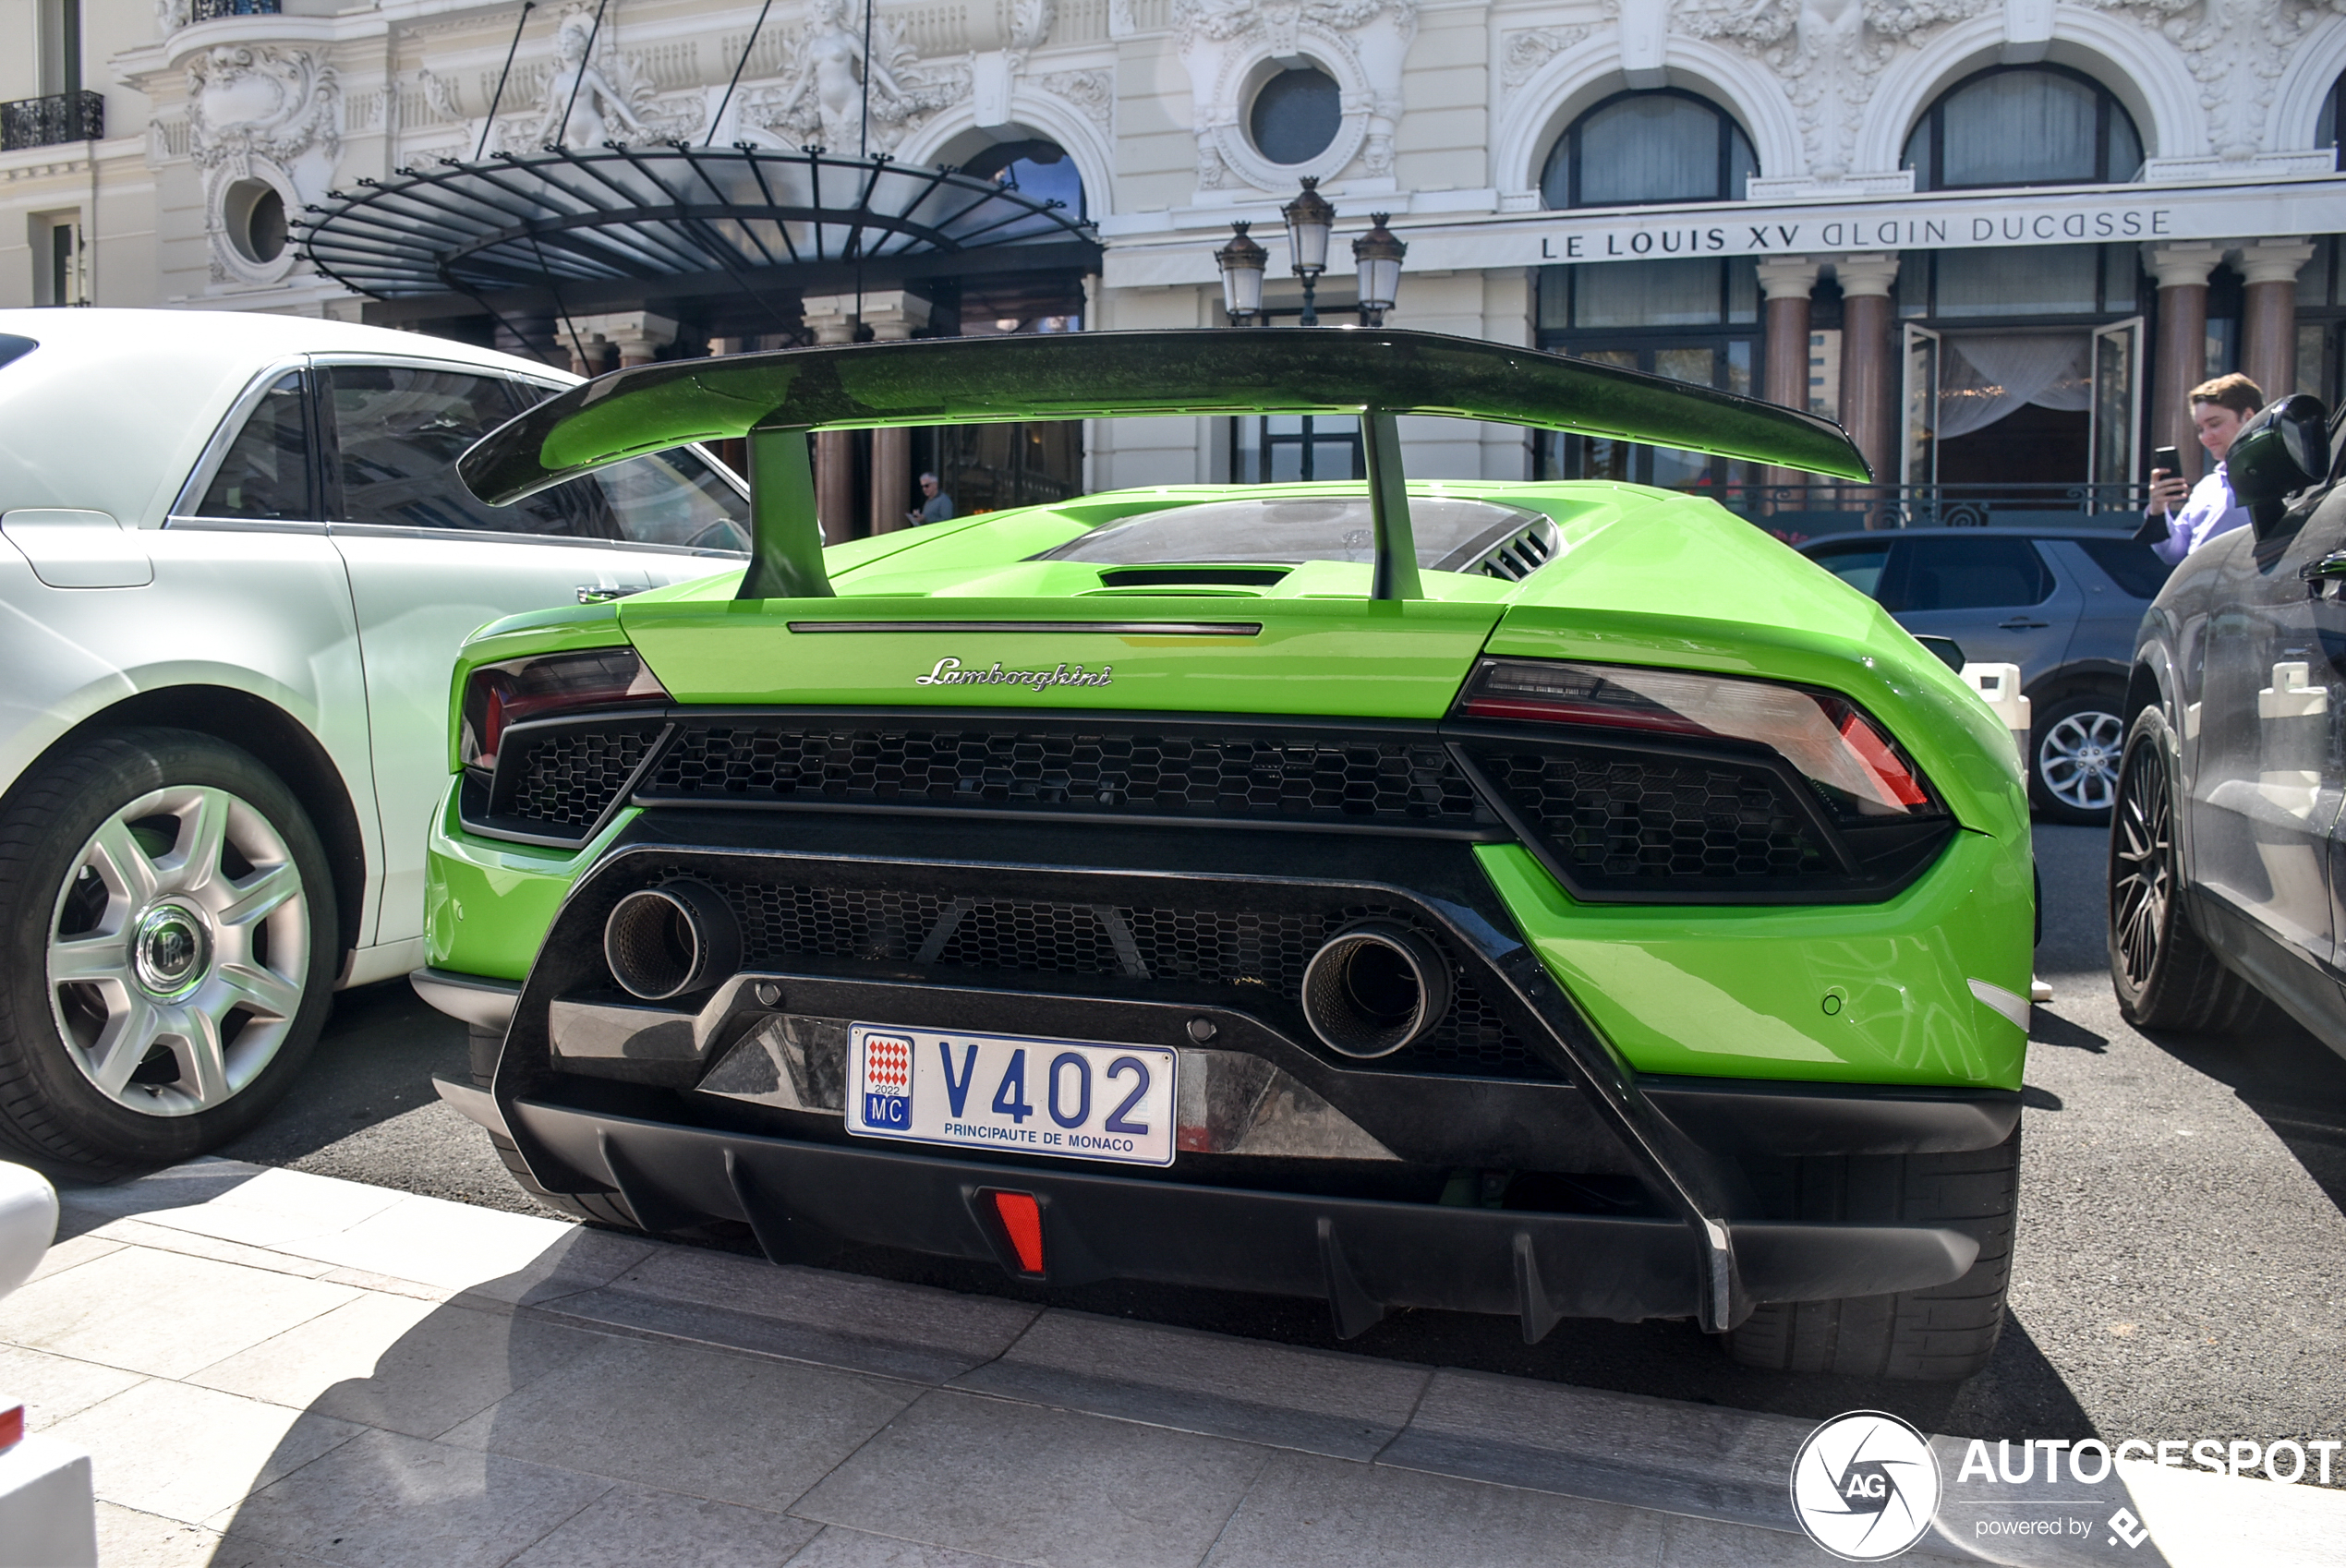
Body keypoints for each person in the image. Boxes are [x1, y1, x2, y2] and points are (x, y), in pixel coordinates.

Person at [2141, 373, 2264, 564]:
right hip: (2199, 588)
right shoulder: (2207, 486)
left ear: (2248, 417)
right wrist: (2158, 510)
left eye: (2214, 424)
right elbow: (2173, 554)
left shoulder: (2278, 476)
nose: (2206, 437)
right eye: (2200, 429)